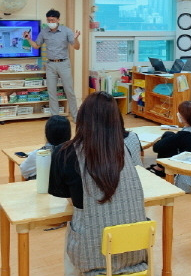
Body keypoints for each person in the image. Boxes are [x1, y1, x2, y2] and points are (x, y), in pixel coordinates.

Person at [49, 91, 148, 276]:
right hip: (136, 256)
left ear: (82, 118)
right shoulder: (126, 148)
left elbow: (69, 200)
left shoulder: (65, 153)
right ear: (117, 120)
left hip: (90, 259)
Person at [23, 9, 80, 120]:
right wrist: (28, 39)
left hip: (64, 64)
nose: (50, 22)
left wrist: (76, 39)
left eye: (52, 20)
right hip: (50, 64)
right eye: (48, 20)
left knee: (69, 91)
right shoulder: (44, 32)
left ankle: (76, 116)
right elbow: (36, 46)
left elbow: (76, 47)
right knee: (51, 92)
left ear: (58, 19)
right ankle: (55, 117)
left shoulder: (66, 31)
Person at [20, 115, 72, 180]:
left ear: (47, 133)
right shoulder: (74, 152)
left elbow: (24, 170)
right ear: (69, 133)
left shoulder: (38, 154)